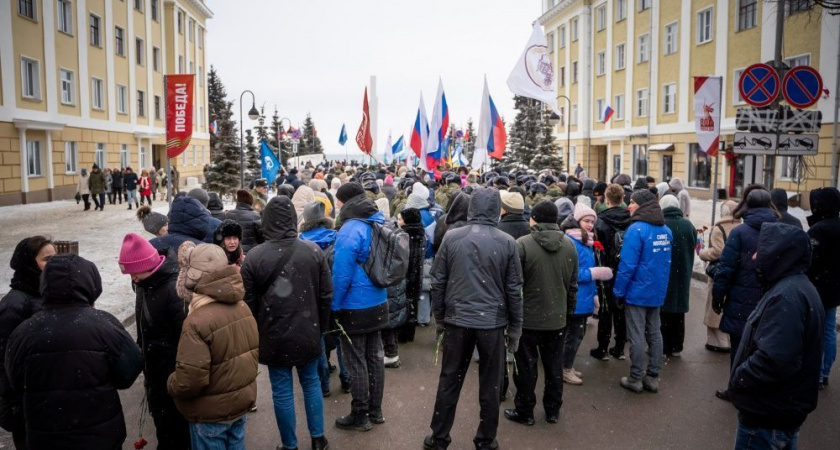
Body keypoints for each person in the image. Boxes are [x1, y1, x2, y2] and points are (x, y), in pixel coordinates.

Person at [5, 254, 143, 450]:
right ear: (91, 283)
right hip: (100, 438)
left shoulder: (23, 332)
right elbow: (128, 373)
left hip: (45, 438)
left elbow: (15, 381)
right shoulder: (105, 324)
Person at [424, 187, 523, 450]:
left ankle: (439, 437)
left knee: (449, 380)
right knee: (490, 385)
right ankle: (486, 439)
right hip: (491, 323)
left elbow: (438, 280)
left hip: (459, 321)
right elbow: (515, 289)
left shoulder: (454, 237)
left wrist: (440, 319)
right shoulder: (506, 242)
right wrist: (515, 327)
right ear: (496, 209)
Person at [242, 196, 332, 450]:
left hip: (273, 334)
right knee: (311, 383)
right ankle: (317, 439)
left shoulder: (255, 257)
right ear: (293, 220)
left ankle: (290, 445)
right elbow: (326, 295)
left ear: (266, 222)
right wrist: (321, 326)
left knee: (282, 391)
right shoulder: (313, 251)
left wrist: (257, 332)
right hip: (309, 330)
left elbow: (246, 303)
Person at [729, 223, 825, 450]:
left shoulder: (787, 296)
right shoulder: (794, 287)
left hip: (766, 419)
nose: (754, 256)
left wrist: (740, 379)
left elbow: (775, 360)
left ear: (776, 254)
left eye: (760, 250)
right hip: (779, 412)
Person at [168, 242, 259, 450]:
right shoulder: (243, 307)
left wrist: (172, 383)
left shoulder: (197, 320)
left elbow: (190, 380)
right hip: (239, 404)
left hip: (210, 413)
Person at [505, 200, 577, 427]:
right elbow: (572, 285)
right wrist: (568, 312)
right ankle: (552, 410)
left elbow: (513, 284)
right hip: (557, 318)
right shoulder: (569, 245)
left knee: (525, 367)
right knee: (554, 367)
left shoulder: (522, 245)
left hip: (528, 318)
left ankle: (525, 411)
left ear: (533, 219)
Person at [119, 233, 190, 449]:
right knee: (165, 430)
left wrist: (160, 352)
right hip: (157, 376)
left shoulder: (172, 291)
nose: (132, 278)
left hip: (172, 377)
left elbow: (187, 340)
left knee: (176, 435)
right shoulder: (146, 285)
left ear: (146, 265)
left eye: (133, 272)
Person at [331, 183, 389, 432]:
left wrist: (334, 305)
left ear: (345, 202)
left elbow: (341, 274)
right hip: (378, 300)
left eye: (338, 201)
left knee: (356, 361)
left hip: (355, 305)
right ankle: (376, 410)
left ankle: (360, 414)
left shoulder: (349, 229)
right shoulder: (377, 221)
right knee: (375, 357)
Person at [712, 186, 779, 401]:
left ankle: (737, 389)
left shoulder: (739, 232)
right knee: (762, 347)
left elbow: (726, 269)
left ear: (747, 205)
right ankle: (759, 389)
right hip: (770, 300)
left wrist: (718, 297)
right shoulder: (780, 230)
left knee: (739, 349)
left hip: (740, 301)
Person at [613, 189, 672, 394]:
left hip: (637, 291)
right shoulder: (665, 230)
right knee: (655, 334)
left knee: (637, 335)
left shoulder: (636, 230)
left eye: (632, 202)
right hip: (656, 291)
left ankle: (635, 378)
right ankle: (653, 377)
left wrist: (618, 292)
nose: (628, 206)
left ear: (642, 206)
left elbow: (627, 265)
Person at [0, 237, 56, 448]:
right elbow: (6, 365)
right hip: (27, 408)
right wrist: (15, 408)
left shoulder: (44, 294)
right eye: (47, 259)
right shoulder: (14, 305)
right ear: (29, 264)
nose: (53, 265)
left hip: (47, 404)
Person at [560, 203, 612, 385]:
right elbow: (570, 274)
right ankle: (564, 369)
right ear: (577, 220)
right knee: (573, 336)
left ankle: (566, 365)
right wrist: (595, 273)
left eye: (592, 221)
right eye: (586, 221)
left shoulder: (586, 241)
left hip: (583, 297)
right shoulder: (571, 242)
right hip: (575, 299)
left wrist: (595, 295)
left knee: (576, 335)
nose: (590, 225)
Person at [590, 184, 630, 362]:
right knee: (621, 309)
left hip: (606, 270)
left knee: (606, 310)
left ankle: (603, 348)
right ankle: (620, 348)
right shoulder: (632, 220)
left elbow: (596, 249)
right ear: (623, 199)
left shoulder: (600, 221)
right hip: (625, 269)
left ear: (606, 199)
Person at [382, 208, 426, 368]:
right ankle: (409, 334)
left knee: (402, 305)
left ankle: (401, 336)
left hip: (404, 275)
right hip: (416, 274)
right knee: (412, 304)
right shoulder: (421, 232)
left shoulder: (402, 235)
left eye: (401, 219)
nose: (399, 222)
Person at [805, 187, 840, 390]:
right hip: (835, 287)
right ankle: (825, 371)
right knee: (828, 329)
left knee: (816, 330)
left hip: (818, 287)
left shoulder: (820, 229)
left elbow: (811, 259)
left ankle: (816, 373)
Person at [697, 200, 740, 352]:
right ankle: (728, 340)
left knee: (715, 306)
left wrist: (702, 253)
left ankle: (718, 343)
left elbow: (718, 252)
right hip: (737, 272)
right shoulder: (741, 226)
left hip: (720, 272)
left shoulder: (719, 228)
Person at [659, 195, 696, 357]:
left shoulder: (661, 225)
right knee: (679, 311)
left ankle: (665, 345)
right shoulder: (688, 225)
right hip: (683, 272)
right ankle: (677, 345)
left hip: (665, 272)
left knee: (664, 311)